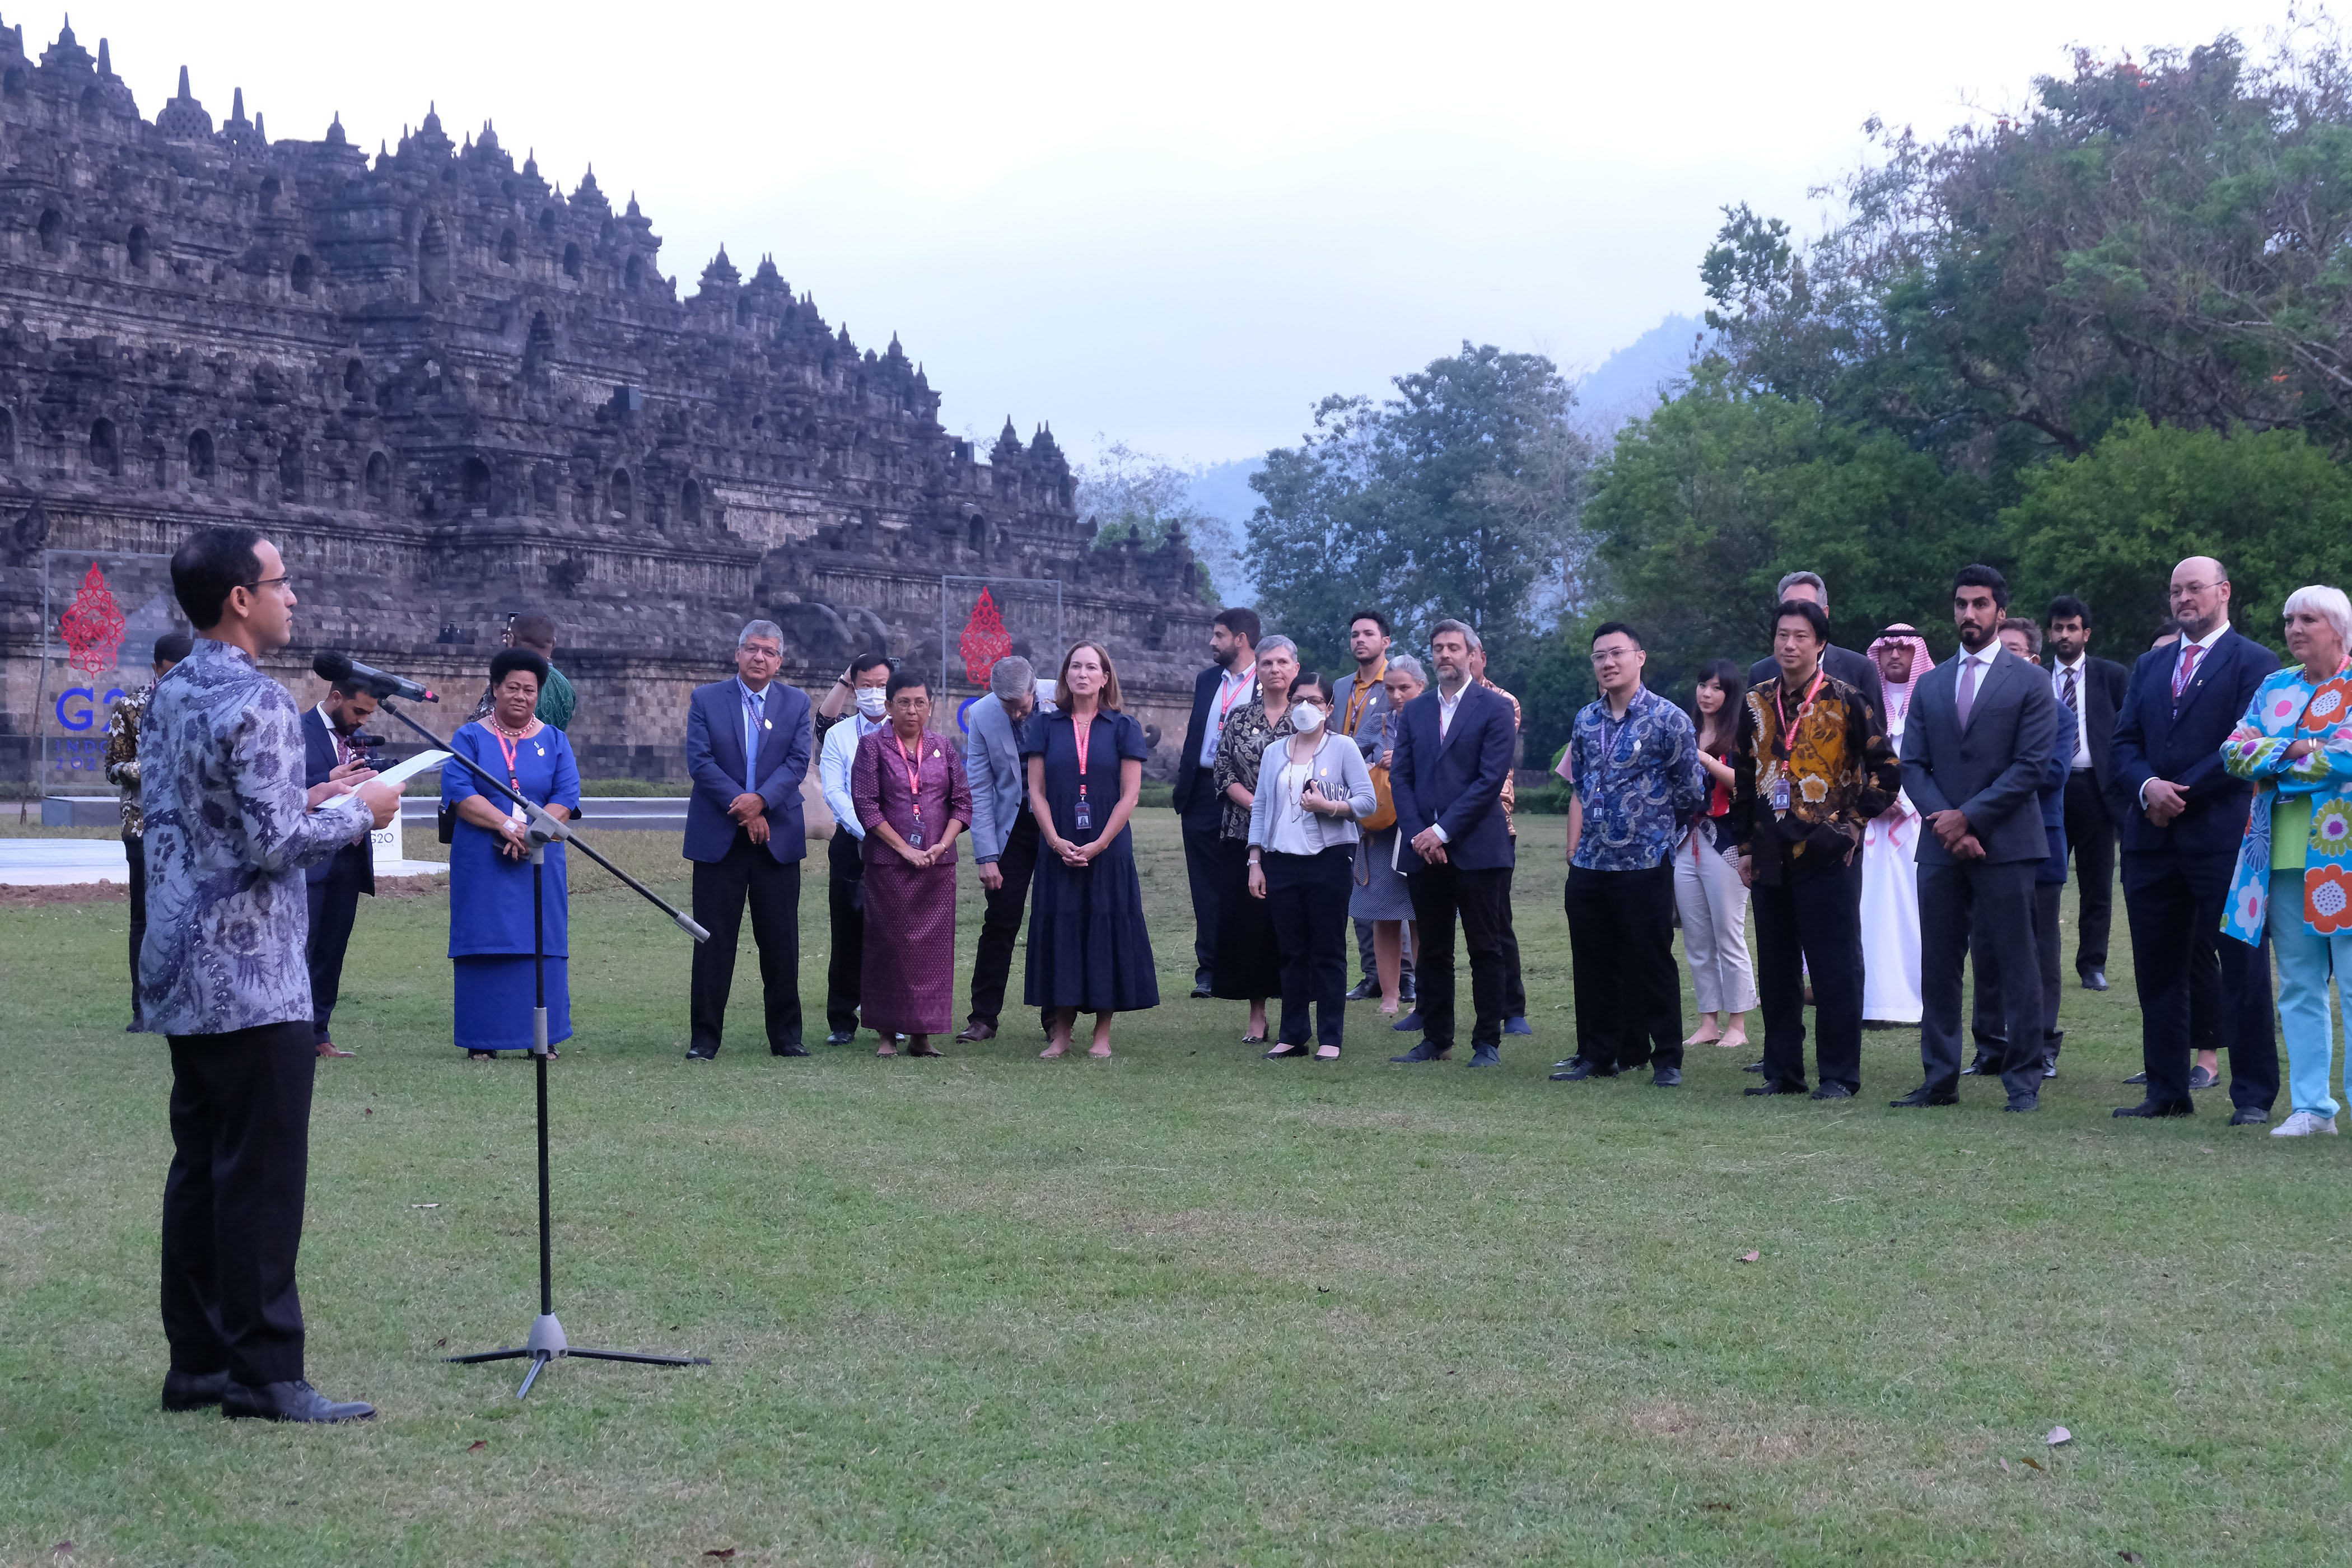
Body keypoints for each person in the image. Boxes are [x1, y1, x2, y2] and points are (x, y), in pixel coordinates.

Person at [141, 526, 402, 1422]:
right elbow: (275, 842)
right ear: (239, 600)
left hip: (182, 964)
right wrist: (360, 810)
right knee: (261, 1177)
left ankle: (200, 1363)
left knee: (203, 1169)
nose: (294, 597)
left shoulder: (173, 689)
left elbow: (210, 811)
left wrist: (312, 796)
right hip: (253, 975)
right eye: (281, 583)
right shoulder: (255, 700)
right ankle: (266, 1374)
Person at [2111, 556, 2282, 1123]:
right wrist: (2146, 788)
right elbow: (2124, 743)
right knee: (2159, 971)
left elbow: (2245, 746)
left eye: (2194, 589)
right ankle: (2166, 1090)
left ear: (2224, 592)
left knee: (2241, 966)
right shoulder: (2150, 665)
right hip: (2151, 844)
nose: (2183, 599)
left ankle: (2253, 1095)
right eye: (2175, 591)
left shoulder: (2256, 663)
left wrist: (2176, 794)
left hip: (2219, 838)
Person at [1893, 564, 2061, 1113]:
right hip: (1940, 847)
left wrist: (1968, 819)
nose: (1970, 613)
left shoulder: (2032, 681)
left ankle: (2023, 1082)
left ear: (2000, 612)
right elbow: (1912, 765)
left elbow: (2032, 766)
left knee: (2018, 963)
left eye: (1981, 604)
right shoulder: (1931, 683)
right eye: (1962, 603)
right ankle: (1939, 1078)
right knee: (1940, 965)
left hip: (2007, 842)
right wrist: (1947, 821)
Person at [1727, 600, 1901, 1099]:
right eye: (1782, 635)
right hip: (1768, 855)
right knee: (1778, 970)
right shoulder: (1757, 701)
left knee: (1834, 970)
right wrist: (1743, 846)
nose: (1789, 645)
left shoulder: (1847, 700)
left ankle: (1839, 1075)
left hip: (1827, 855)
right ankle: (1782, 1072)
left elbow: (1887, 772)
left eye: (1801, 636)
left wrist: (1850, 828)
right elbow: (1742, 777)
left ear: (1820, 643)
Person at [2220, 586, 2352, 1137]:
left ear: (2339, 628)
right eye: (2289, 619)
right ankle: (2311, 1107)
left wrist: (2278, 755)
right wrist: (2299, 749)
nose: (2295, 628)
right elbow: (2233, 752)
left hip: (2343, 858)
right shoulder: (2275, 686)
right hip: (2277, 856)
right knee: (2298, 984)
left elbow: (2345, 756)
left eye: (2308, 619)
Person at [1550, 622, 1704, 1083]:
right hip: (1591, 861)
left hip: (1644, 861)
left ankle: (1668, 1059)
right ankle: (1599, 1055)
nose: (1608, 663)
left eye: (1617, 653)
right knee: (1593, 961)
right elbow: (1580, 783)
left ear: (1640, 657)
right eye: (1599, 656)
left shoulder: (1669, 718)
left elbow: (1691, 791)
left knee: (1652, 960)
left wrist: (1650, 827)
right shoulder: (1586, 720)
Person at [1389, 620, 1520, 1068]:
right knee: (1433, 950)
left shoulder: (1496, 709)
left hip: (1478, 849)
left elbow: (1489, 782)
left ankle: (1487, 1042)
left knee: (1485, 947)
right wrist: (1419, 835)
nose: (1445, 654)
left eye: (1453, 647)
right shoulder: (1417, 710)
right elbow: (1401, 778)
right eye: (1438, 648)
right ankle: (1435, 1039)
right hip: (1425, 853)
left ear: (1472, 654)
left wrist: (1442, 832)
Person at [683, 620, 815, 1061]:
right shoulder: (706, 699)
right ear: (737, 654)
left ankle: (786, 1037)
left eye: (769, 652)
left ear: (780, 662)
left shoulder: (796, 703)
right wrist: (744, 808)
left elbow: (797, 763)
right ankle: (704, 1039)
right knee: (713, 939)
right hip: (719, 835)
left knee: (780, 941)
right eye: (752, 649)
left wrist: (761, 803)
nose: (760, 658)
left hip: (777, 838)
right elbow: (700, 762)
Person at [442, 650, 583, 1060]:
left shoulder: (555, 740)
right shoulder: (469, 737)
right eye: (512, 688)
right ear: (495, 689)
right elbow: (461, 794)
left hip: (539, 859)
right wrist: (506, 825)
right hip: (484, 859)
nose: (521, 696)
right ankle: (482, 1039)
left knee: (542, 942)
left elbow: (566, 797)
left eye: (530, 690)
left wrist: (532, 833)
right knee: (485, 941)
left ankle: (544, 1036)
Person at [1024, 642, 1159, 1056]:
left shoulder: (1123, 727)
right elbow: (1036, 791)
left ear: (1105, 678)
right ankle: (1061, 1032)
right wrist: (1052, 838)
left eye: (1091, 668)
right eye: (1075, 667)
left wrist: (1100, 843)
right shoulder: (1045, 726)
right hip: (1058, 845)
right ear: (1065, 675)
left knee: (1106, 929)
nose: (1082, 674)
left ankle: (1102, 1034)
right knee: (1061, 930)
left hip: (1109, 847)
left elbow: (1130, 795)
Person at [1248, 671, 1378, 1059]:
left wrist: (1330, 807)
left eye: (1315, 702)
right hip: (1281, 861)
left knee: (1328, 949)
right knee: (1291, 951)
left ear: (1329, 708)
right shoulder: (1275, 752)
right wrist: (1255, 860)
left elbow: (1366, 802)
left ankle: (1330, 1038)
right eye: (1299, 700)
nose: (1306, 708)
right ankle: (1292, 1034)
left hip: (1329, 860)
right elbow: (1260, 807)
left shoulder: (1343, 748)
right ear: (1289, 703)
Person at [1962, 618, 2071, 1081]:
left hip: (2036, 843)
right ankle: (1990, 1045)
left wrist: (1992, 782)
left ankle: (2041, 1044)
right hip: (1981, 843)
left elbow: (2052, 773)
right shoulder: (1974, 713)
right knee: (1985, 946)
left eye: (2013, 651)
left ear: (2032, 661)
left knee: (2038, 950)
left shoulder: (2058, 714)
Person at [850, 669, 973, 1057]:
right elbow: (866, 805)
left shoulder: (944, 747)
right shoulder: (873, 747)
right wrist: (903, 848)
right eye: (903, 702)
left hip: (937, 866)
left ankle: (923, 1036)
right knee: (888, 947)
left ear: (931, 706)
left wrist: (941, 844)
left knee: (932, 954)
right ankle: (887, 1034)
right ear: (888, 706)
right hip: (889, 865)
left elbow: (963, 803)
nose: (912, 710)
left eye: (920, 702)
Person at [1211, 636, 1301, 1043]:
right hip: (1243, 831)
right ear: (1258, 670)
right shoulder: (1239, 717)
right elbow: (1223, 771)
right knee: (1251, 925)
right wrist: (1256, 804)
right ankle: (1257, 1014)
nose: (1275, 670)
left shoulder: (1307, 718)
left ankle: (1295, 1011)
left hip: (1295, 834)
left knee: (1292, 925)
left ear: (1295, 669)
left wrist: (1278, 806)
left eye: (1283, 662)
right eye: (1267, 663)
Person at [104, 628, 192, 1032]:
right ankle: (143, 1011)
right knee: (144, 920)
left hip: (192, 827)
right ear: (156, 668)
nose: (175, 679)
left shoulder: (200, 703)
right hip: (142, 826)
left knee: (188, 916)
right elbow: (113, 767)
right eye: (170, 672)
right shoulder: (129, 708)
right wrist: (151, 768)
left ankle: (186, 1004)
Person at [1172, 607, 1259, 997]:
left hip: (1247, 792)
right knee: (1204, 886)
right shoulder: (1208, 680)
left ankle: (1245, 966)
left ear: (1240, 639)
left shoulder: (1267, 682)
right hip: (1202, 792)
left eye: (1219, 635)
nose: (1212, 642)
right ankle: (1208, 971)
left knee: (1244, 880)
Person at [2045, 595, 2129, 991]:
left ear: (2086, 633)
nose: (2065, 635)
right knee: (2047, 881)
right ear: (2049, 633)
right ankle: (2043, 959)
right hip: (2048, 791)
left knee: (2097, 883)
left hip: (2096, 789)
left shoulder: (2111, 676)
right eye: (2058, 628)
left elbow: (2129, 732)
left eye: (2072, 628)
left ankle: (2092, 964)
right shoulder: (2035, 679)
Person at [960, 656, 1043, 1043]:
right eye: (1006, 705)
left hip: (1059, 826)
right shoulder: (982, 715)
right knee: (1001, 920)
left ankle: (1057, 1017)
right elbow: (978, 787)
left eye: (1021, 705)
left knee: (1056, 918)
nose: (1015, 713)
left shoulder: (1061, 700)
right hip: (1012, 829)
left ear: (1034, 690)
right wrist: (986, 855)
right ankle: (983, 1018)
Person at [301, 673, 382, 1058]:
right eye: (359, 711)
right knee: (301, 950)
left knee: (332, 952)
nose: (363, 720)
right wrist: (327, 779)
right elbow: (280, 788)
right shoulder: (295, 729)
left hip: (349, 860)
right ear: (336, 697)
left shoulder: (359, 738)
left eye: (370, 713)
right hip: (308, 860)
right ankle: (290, 1037)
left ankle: (319, 1035)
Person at [1676, 659, 1755, 1051]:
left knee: (1729, 934)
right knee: (1697, 938)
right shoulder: (1684, 730)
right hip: (1685, 841)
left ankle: (1737, 1024)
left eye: (1716, 687)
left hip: (1727, 843)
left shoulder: (1742, 733)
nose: (1707, 693)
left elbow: (1748, 783)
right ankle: (1708, 1022)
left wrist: (1705, 759)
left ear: (1730, 694)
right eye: (1702, 685)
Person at [817, 652, 894, 1046]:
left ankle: (894, 1014)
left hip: (901, 843)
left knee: (895, 930)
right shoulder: (840, 735)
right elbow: (834, 791)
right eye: (867, 685)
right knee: (847, 929)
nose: (875, 693)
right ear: (854, 686)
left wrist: (893, 833)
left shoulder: (908, 731)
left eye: (882, 685)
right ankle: (843, 1019)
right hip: (854, 840)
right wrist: (868, 829)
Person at [1860, 627, 1935, 1026]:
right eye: (1887, 649)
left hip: (1915, 822)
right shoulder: (1864, 699)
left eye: (1903, 650)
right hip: (1870, 822)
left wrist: (1905, 801)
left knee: (1911, 913)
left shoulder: (1930, 698)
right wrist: (1875, 799)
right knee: (1866, 909)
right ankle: (1869, 999)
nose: (1894, 657)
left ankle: (1909, 1001)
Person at [1350, 655, 1425, 1018]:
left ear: (1421, 688)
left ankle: (1426, 995)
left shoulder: (1434, 720)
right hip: (1382, 829)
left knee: (1423, 914)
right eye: (1390, 688)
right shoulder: (1378, 723)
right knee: (1385, 913)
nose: (1397, 695)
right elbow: (1349, 760)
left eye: (1404, 688)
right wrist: (1371, 767)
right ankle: (1390, 995)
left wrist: (1408, 762)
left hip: (1422, 829)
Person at [1332, 610, 1400, 1004]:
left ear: (1385, 642)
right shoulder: (1342, 687)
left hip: (1383, 799)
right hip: (1340, 796)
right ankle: (1372, 974)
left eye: (1369, 634)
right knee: (1359, 886)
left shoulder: (1397, 684)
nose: (1360, 640)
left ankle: (1403, 976)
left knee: (1392, 890)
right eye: (1355, 634)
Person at [1467, 638, 1532, 1036]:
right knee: (1431, 924)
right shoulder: (1431, 704)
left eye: (1466, 652)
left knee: (1496, 922)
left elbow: (1486, 762)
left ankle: (1513, 1007)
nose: (1457, 658)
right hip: (1439, 828)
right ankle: (1427, 1007)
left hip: (1492, 823)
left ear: (1480, 658)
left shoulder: (1502, 702)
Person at [468, 612, 575, 731]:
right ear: (554, 643)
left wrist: (510, 654)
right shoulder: (565, 685)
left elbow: (481, 725)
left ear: (511, 639)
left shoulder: (507, 678)